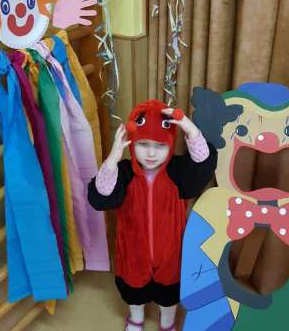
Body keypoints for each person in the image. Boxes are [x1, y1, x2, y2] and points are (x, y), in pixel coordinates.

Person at [88, 100, 217, 331]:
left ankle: (167, 322)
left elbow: (202, 165)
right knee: (133, 290)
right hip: (133, 250)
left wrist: (190, 130)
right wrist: (112, 160)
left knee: (169, 293)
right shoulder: (125, 172)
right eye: (143, 144)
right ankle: (136, 318)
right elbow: (101, 195)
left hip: (170, 250)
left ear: (170, 144)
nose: (150, 153)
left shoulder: (177, 171)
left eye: (159, 146)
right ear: (132, 143)